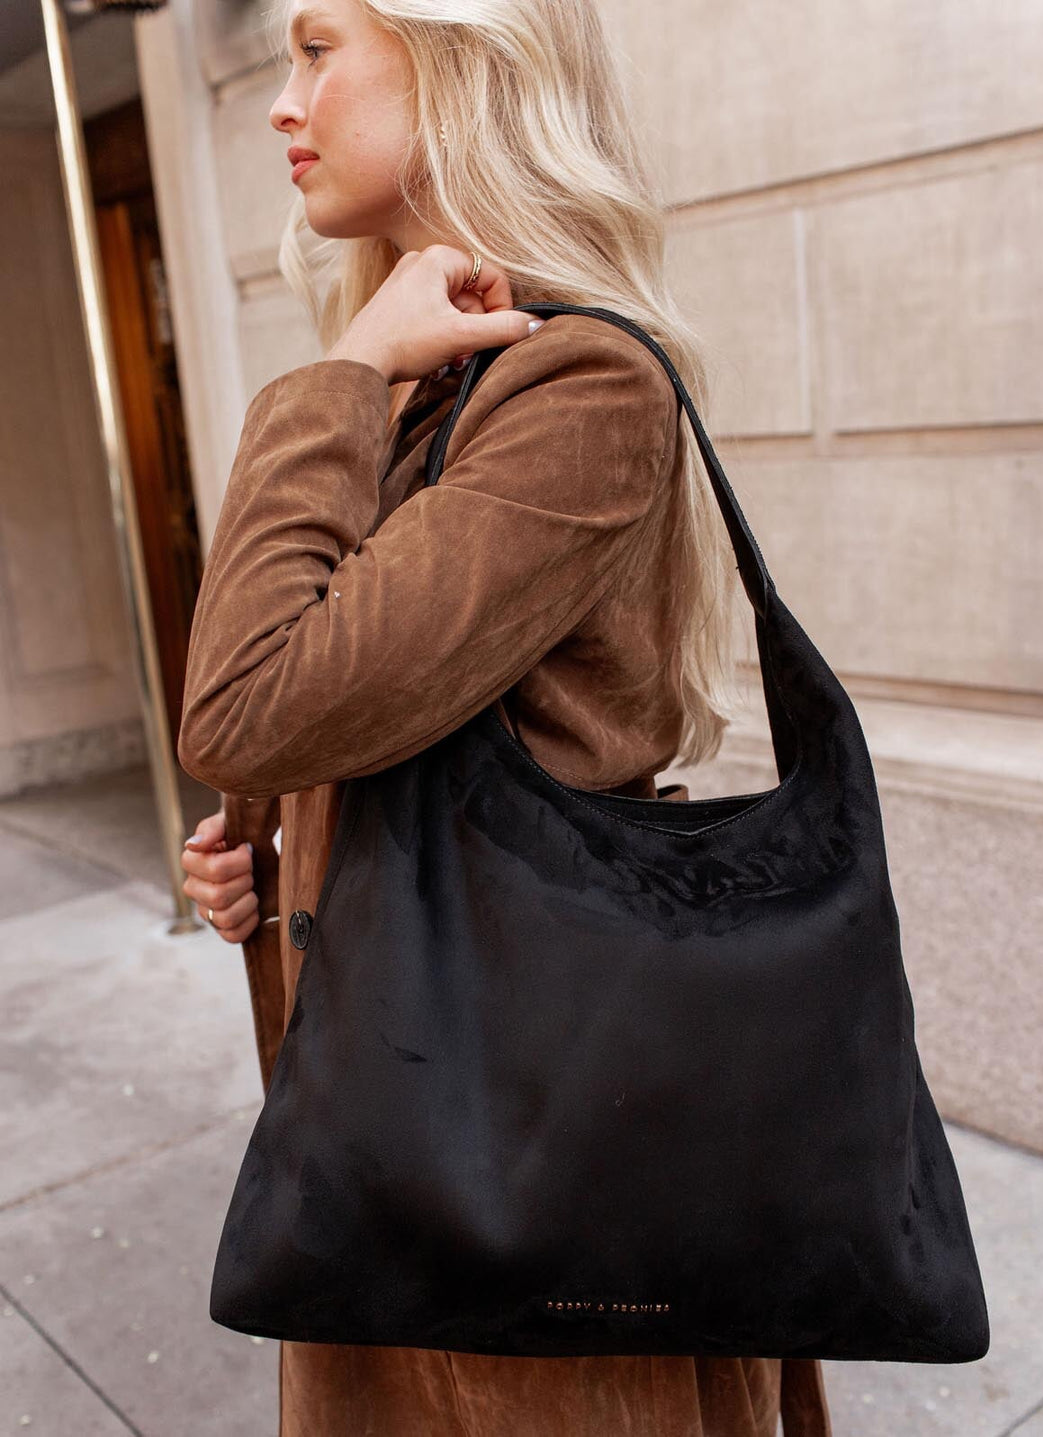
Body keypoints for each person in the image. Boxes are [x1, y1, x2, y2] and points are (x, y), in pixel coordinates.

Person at [177, 1, 834, 1433]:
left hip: (528, 1194)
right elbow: (332, 722)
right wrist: (272, 855)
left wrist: (343, 372)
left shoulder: (573, 383)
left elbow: (238, 699)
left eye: (316, 47)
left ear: (465, 57)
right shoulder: (443, 378)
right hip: (407, 1154)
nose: (282, 105)